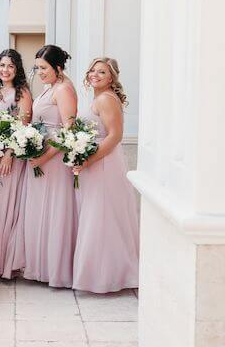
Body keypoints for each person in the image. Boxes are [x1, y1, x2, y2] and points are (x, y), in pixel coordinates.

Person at [72, 57, 139, 293]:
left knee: (100, 217)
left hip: (103, 164)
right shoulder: (99, 98)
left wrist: (86, 160)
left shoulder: (106, 99)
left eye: (102, 72)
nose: (95, 75)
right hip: (97, 163)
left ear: (111, 78)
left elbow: (114, 136)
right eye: (93, 71)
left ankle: (105, 277)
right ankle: (102, 273)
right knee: (99, 217)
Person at [19, 44, 78, 286]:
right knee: (39, 211)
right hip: (39, 155)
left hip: (53, 161)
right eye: (37, 68)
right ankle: (40, 267)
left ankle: (56, 269)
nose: (40, 72)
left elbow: (68, 130)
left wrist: (43, 157)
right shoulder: (49, 88)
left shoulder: (63, 90)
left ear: (58, 67)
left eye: (43, 68)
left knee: (54, 212)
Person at [0, 49, 32, 279]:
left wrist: (9, 153)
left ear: (17, 69)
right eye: (2, 65)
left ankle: (4, 263)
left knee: (5, 209)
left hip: (9, 159)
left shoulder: (22, 94)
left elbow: (22, 126)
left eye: (10, 66)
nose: (5, 70)